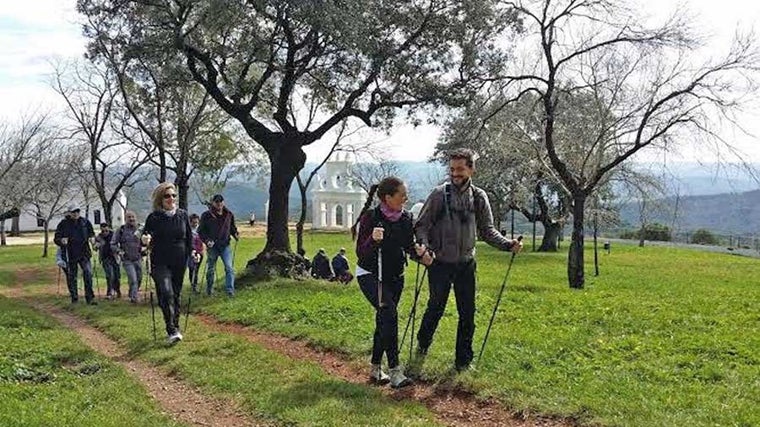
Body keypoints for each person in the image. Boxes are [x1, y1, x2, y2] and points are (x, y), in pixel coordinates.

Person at [414, 148, 522, 372]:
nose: (455, 174)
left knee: (467, 313)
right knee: (435, 307)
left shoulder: (479, 197)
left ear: (472, 169)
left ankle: (463, 361)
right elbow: (421, 226)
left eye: (460, 169)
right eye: (452, 169)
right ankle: (422, 344)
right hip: (439, 263)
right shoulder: (438, 194)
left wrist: (508, 244)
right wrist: (423, 249)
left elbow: (488, 231)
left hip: (466, 264)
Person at [352, 176, 434, 388]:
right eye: (402, 195)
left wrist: (421, 256)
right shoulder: (371, 218)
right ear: (387, 198)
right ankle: (395, 371)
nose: (406, 198)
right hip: (370, 274)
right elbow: (360, 251)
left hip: (395, 277)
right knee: (390, 315)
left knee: (384, 320)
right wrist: (373, 239)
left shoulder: (406, 218)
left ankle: (375, 367)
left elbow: (408, 246)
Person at [142, 183, 193, 345]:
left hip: (179, 260)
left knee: (175, 295)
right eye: (167, 196)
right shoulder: (154, 217)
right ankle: (171, 329)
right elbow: (145, 234)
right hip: (160, 261)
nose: (171, 198)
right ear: (160, 199)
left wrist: (193, 253)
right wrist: (145, 239)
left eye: (173, 195)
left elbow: (189, 237)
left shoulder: (183, 215)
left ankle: (175, 327)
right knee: (166, 292)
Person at [54, 206, 97, 305]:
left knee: (88, 273)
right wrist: (61, 241)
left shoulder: (85, 222)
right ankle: (74, 298)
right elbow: (56, 238)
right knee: (72, 276)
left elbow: (91, 234)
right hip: (70, 254)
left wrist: (92, 239)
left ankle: (90, 298)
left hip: (84, 253)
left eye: (77, 211)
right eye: (73, 211)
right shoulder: (63, 224)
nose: (75, 213)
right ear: (69, 212)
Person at [198, 194, 239, 297]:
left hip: (225, 245)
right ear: (213, 203)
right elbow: (201, 231)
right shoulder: (206, 215)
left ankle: (230, 291)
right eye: (217, 202)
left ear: (223, 202)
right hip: (212, 246)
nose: (219, 203)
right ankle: (209, 289)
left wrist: (235, 234)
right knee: (211, 269)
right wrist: (207, 241)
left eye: (221, 201)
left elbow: (232, 228)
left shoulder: (229, 214)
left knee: (229, 268)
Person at [111, 211, 144, 303]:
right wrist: (119, 251)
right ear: (125, 219)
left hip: (138, 258)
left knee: (139, 278)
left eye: (133, 217)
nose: (131, 219)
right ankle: (134, 298)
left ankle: (132, 292)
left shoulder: (140, 229)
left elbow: (145, 241)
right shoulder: (120, 230)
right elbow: (113, 244)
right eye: (129, 217)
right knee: (133, 279)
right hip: (127, 260)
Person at [95, 223, 120, 299]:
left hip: (115, 258)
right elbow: (95, 246)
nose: (105, 232)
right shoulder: (99, 237)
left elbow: (118, 244)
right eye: (103, 231)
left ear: (108, 228)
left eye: (106, 230)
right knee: (110, 275)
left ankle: (117, 290)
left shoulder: (114, 235)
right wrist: (96, 246)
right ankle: (109, 292)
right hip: (105, 258)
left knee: (117, 276)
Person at [188, 213, 204, 293]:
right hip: (190, 253)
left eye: (196, 222)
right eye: (193, 222)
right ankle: (193, 285)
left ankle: (194, 285)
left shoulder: (200, 230)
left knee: (196, 269)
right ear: (190, 222)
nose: (195, 224)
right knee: (192, 269)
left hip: (200, 252)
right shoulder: (187, 231)